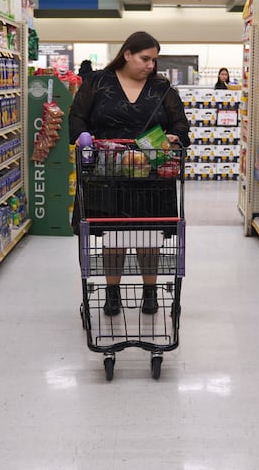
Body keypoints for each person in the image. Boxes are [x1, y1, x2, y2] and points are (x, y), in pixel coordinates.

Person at [69, 31, 190, 316]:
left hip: (152, 177)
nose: (150, 65)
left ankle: (150, 292)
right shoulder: (97, 82)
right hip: (108, 175)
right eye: (144, 58)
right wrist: (83, 137)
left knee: (149, 237)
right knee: (114, 236)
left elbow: (181, 124)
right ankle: (112, 293)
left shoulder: (162, 88)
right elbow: (77, 118)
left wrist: (174, 136)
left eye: (153, 60)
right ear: (127, 54)